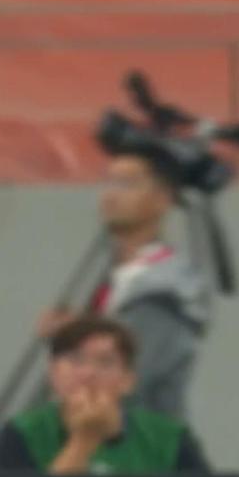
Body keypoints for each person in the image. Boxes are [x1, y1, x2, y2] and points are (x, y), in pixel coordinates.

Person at [38, 149, 210, 420]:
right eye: (108, 181)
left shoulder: (166, 291)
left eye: (127, 184)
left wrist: (73, 340)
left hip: (140, 439)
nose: (111, 194)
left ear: (163, 199)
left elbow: (131, 377)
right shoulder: (117, 275)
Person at [0, 317, 209, 475]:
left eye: (105, 362)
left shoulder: (169, 439)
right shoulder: (22, 433)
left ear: (128, 380)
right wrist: (84, 441)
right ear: (53, 373)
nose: (88, 373)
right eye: (76, 360)